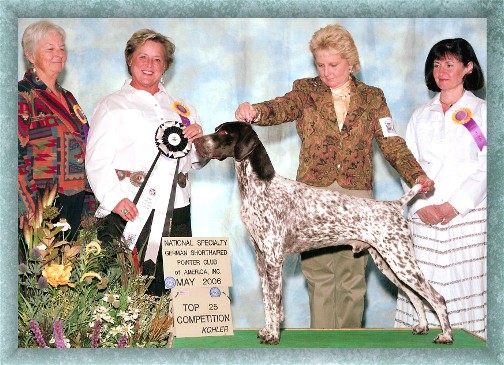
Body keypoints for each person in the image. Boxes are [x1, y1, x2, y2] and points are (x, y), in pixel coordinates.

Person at [235, 24, 434, 329]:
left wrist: (416, 174)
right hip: (311, 197)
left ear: (351, 63)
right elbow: (281, 107)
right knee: (319, 276)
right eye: (320, 65)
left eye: (334, 65)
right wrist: (256, 112)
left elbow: (391, 142)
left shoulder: (372, 97)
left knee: (352, 279)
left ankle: (351, 346)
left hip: (356, 195)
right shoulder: (306, 90)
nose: (326, 73)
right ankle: (322, 346)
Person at [86, 29, 207, 296]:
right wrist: (114, 199)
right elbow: (95, 161)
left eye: (157, 60)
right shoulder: (111, 105)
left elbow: (196, 162)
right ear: (130, 59)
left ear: (166, 66)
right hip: (131, 209)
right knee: (125, 292)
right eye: (143, 57)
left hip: (178, 209)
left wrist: (201, 144)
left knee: (176, 293)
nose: (149, 65)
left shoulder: (182, 108)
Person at [394, 38, 487, 339]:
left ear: (468, 68)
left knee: (466, 290)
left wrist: (454, 205)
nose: (442, 71)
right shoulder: (421, 115)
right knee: (422, 285)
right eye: (436, 65)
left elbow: (488, 165)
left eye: (449, 64)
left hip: (468, 219)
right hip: (424, 220)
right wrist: (421, 207)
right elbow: (407, 165)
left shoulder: (484, 112)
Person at [18, 20, 93, 241]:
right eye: (50, 49)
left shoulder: (69, 97)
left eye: (61, 48)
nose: (58, 54)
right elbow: (13, 156)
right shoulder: (23, 95)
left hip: (77, 198)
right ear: (30, 55)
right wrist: (27, 205)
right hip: (43, 202)